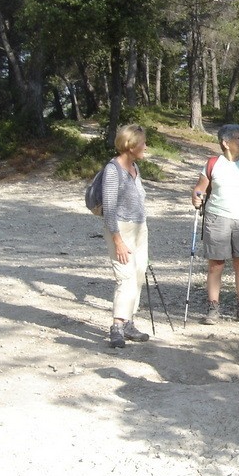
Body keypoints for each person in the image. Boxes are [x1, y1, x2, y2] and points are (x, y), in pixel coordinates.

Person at [191, 124, 239, 325]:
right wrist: (197, 198)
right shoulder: (213, 164)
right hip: (216, 218)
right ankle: (213, 308)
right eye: (238, 138)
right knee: (216, 265)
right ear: (225, 142)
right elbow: (199, 189)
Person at [103, 124, 151, 349]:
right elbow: (109, 209)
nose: (146, 147)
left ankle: (129, 321)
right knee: (126, 277)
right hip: (121, 229)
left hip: (139, 228)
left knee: (139, 274)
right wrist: (117, 240)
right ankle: (117, 327)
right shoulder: (113, 170)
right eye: (142, 143)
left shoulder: (134, 168)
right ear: (131, 145)